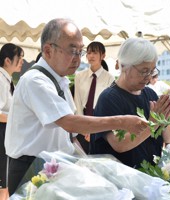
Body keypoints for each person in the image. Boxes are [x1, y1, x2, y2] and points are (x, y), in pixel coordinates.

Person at [5, 18, 148, 196]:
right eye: (73, 51)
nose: (78, 59)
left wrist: (85, 162)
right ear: (48, 50)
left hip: (55, 167)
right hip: (30, 169)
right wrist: (121, 122)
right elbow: (69, 123)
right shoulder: (35, 80)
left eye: (80, 51)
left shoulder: (60, 81)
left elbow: (70, 137)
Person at [90, 38, 170, 169]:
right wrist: (152, 123)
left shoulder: (151, 95)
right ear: (124, 65)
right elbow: (119, 144)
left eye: (152, 71)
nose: (148, 77)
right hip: (119, 182)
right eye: (144, 71)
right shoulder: (109, 99)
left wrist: (163, 120)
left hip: (150, 179)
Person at [74, 41, 115, 153]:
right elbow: (77, 102)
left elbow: (108, 108)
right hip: (82, 124)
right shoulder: (79, 76)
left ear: (103, 55)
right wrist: (82, 128)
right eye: (89, 53)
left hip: (100, 124)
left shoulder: (109, 78)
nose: (91, 56)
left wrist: (95, 130)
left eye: (95, 53)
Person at [0, 43, 24, 188]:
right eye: (20, 57)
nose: (22, 61)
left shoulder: (7, 79)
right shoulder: (1, 80)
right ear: (8, 60)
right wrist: (15, 119)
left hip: (6, 130)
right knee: (4, 181)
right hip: (2, 131)